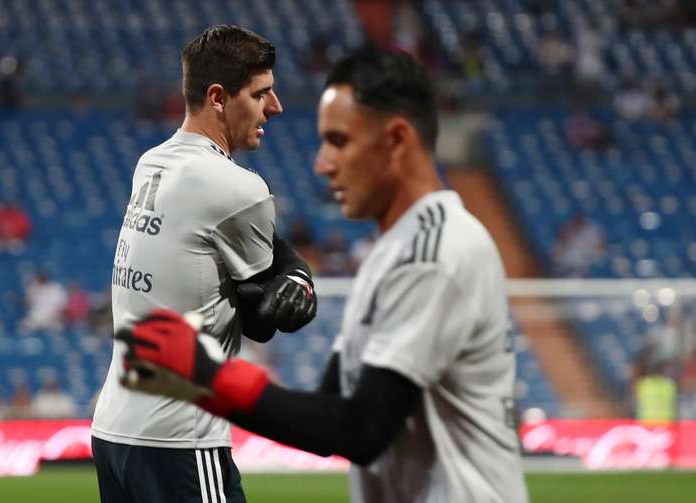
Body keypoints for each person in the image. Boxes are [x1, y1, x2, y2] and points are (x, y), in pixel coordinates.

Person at [118, 47, 528, 503]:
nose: (322, 164)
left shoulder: (438, 252)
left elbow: (360, 429)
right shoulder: (391, 255)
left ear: (396, 140)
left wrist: (209, 378)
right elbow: (330, 414)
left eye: (339, 141)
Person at [91, 25, 317, 503]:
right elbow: (262, 322)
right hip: (180, 438)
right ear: (218, 97)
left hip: (115, 431)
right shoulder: (237, 188)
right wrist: (298, 280)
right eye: (261, 95)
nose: (274, 108)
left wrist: (290, 275)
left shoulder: (151, 164)